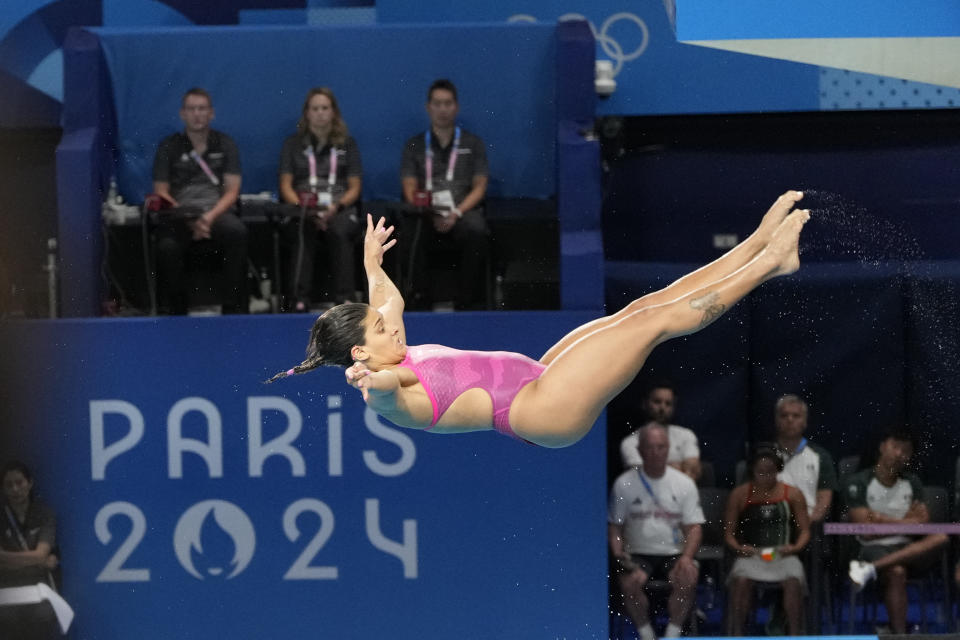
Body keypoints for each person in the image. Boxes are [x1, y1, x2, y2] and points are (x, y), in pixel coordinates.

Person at [268, 191, 809, 449]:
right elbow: (382, 382)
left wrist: (370, 266)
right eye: (378, 331)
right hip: (540, 409)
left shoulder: (389, 345)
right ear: (361, 354)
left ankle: (756, 245)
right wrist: (365, 377)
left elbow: (389, 302)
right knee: (653, 326)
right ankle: (769, 266)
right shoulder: (385, 385)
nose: (389, 326)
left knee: (641, 310)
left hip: (537, 377)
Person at [152, 87, 247, 314]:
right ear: (182, 114)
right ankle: (175, 310)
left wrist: (207, 218)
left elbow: (232, 190)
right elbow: (161, 191)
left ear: (211, 113)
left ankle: (234, 307)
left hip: (217, 212)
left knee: (237, 232)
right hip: (180, 214)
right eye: (191, 109)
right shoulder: (169, 146)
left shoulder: (225, 144)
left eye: (202, 108)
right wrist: (190, 219)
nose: (197, 114)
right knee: (166, 246)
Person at [845, 427, 949, 635]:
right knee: (897, 572)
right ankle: (900, 634)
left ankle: (869, 569)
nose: (900, 454)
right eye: (895, 447)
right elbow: (866, 531)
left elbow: (923, 523)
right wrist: (906, 521)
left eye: (906, 451)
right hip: (873, 547)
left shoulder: (912, 482)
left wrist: (881, 520)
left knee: (941, 537)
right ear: (883, 447)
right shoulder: (858, 482)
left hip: (908, 546)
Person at [399, 78, 489, 310]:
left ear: (456, 107)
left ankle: (467, 300)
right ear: (428, 107)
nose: (442, 109)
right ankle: (418, 297)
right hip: (427, 212)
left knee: (477, 229)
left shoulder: (473, 143)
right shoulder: (415, 144)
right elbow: (409, 187)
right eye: (437, 104)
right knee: (411, 229)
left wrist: (456, 212)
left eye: (448, 103)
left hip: (462, 210)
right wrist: (429, 210)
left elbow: (480, 185)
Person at [608, 424, 704, 639]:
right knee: (628, 581)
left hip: (674, 553)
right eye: (650, 447)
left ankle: (672, 633)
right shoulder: (623, 485)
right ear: (640, 450)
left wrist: (687, 558)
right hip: (638, 553)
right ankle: (646, 634)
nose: (655, 452)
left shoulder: (684, 483)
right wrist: (618, 555)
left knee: (688, 576)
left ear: (668, 449)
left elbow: (694, 527)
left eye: (661, 447)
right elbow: (616, 525)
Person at [278, 87, 363, 311]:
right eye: (315, 108)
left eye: (325, 108)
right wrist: (305, 207)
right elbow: (286, 186)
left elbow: (355, 187)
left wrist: (336, 206)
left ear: (333, 112)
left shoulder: (348, 144)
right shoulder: (293, 145)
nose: (320, 113)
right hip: (304, 208)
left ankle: (346, 301)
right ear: (307, 113)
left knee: (340, 230)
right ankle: (298, 300)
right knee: (302, 228)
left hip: (339, 208)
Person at [724, 446, 810, 636]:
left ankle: (795, 634)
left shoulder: (793, 494)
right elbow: (728, 535)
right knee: (741, 580)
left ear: (778, 470)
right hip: (752, 553)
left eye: (770, 472)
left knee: (794, 578)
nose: (766, 476)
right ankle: (737, 634)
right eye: (760, 472)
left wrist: (796, 547)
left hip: (782, 553)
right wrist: (738, 548)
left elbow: (805, 531)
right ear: (752, 472)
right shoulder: (739, 495)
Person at [0, 461, 59, 639]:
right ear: (3, 489)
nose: (15, 489)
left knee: (44, 616)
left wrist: (7, 559)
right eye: (9, 485)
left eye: (19, 482)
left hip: (39, 588)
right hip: (6, 589)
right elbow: (41, 558)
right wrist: (39, 561)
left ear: (30, 483)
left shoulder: (44, 513)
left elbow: (42, 553)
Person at [773, 394, 837, 522]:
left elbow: (824, 499)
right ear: (776, 420)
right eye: (784, 415)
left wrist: (806, 526)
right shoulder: (762, 455)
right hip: (770, 525)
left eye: (796, 416)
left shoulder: (821, 456)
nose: (790, 420)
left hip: (809, 525)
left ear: (805, 422)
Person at [620, 382, 701, 481]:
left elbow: (693, 471)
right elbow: (641, 476)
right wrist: (678, 467)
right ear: (644, 404)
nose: (662, 408)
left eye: (668, 403)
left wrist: (656, 468)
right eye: (657, 402)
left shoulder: (686, 435)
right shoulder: (630, 442)